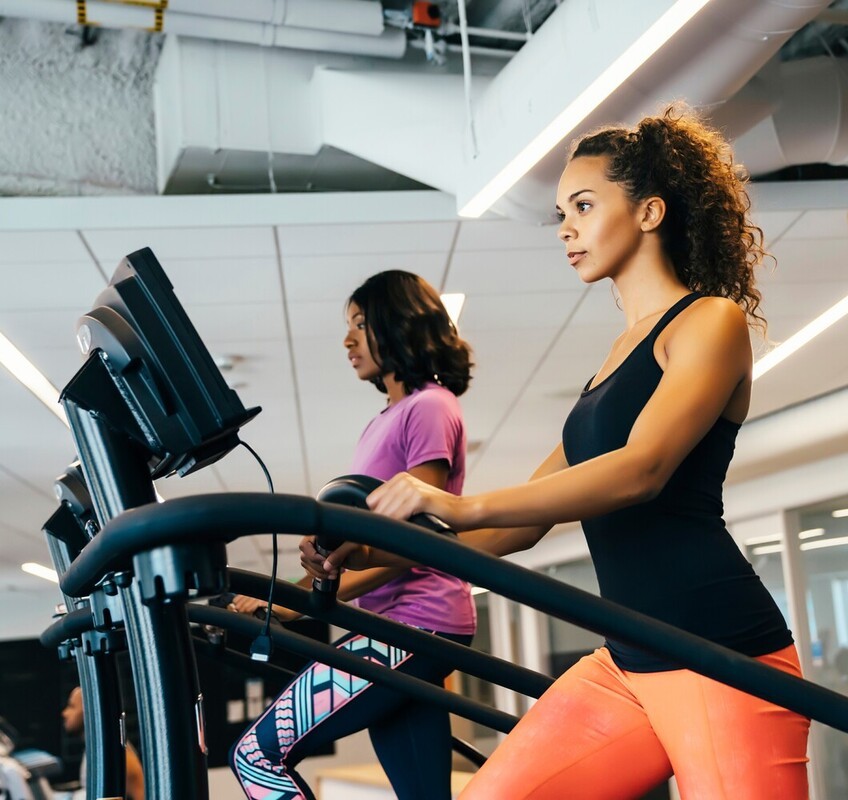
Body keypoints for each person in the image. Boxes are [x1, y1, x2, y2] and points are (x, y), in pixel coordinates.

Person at [303, 106, 811, 800]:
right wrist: (368, 548)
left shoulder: (708, 322)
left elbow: (642, 470)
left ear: (650, 211)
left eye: (583, 204)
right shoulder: (609, 366)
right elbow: (518, 529)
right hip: (628, 664)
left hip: (721, 654)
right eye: (560, 212)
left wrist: (453, 500)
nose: (565, 226)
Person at [229, 270, 477, 800]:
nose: (348, 339)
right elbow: (370, 545)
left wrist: (318, 579)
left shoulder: (428, 407)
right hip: (403, 624)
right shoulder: (383, 420)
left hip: (417, 623)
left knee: (255, 756)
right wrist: (306, 583)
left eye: (361, 325)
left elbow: (421, 538)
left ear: (400, 323)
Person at [61, 686, 145, 800]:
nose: (64, 713)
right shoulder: (97, 751)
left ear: (90, 709)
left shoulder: (115, 756)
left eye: (72, 706)